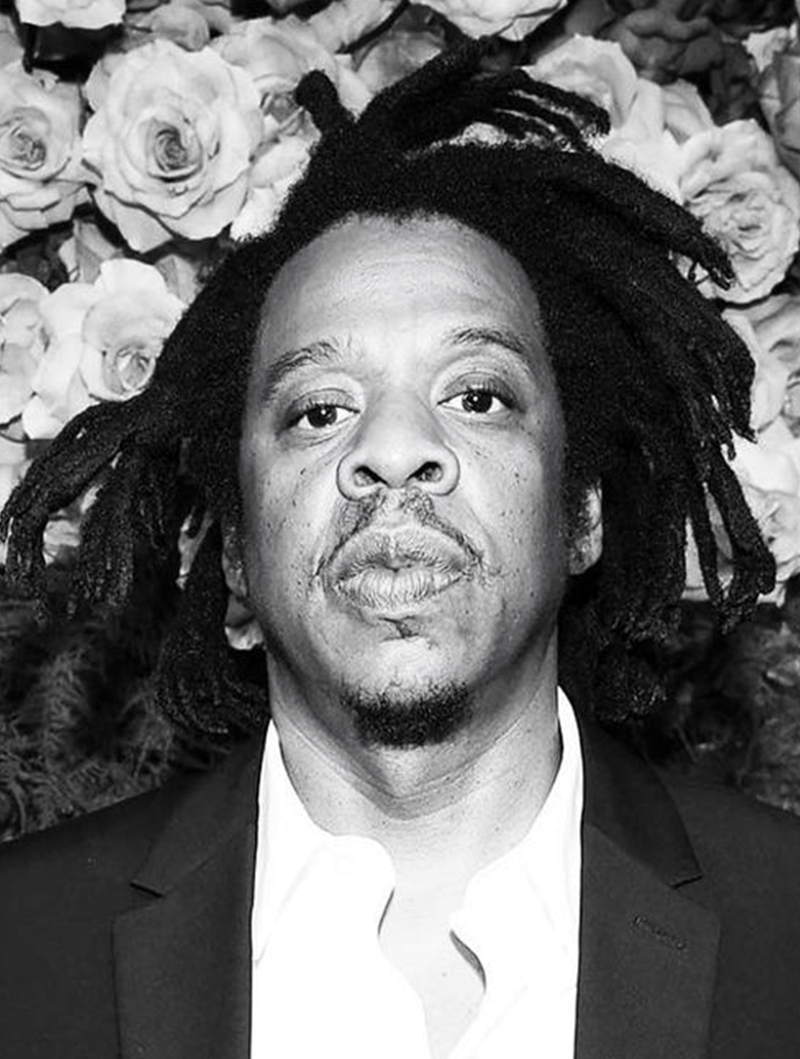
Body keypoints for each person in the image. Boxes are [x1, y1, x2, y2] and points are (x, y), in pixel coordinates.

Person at [1, 42, 800, 1059]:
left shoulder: (784, 929)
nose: (393, 447)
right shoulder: (20, 952)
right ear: (236, 553)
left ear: (582, 515)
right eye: (318, 410)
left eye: (478, 395)